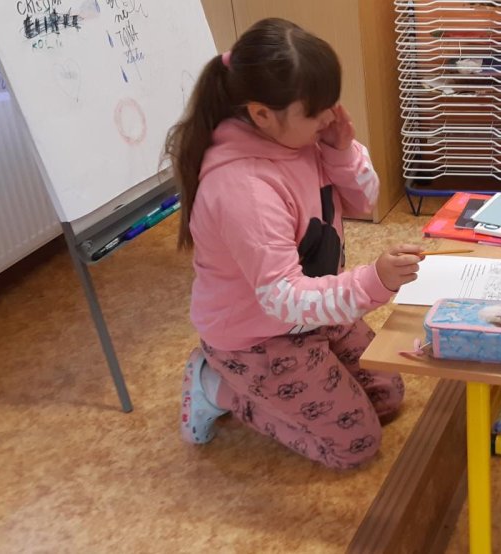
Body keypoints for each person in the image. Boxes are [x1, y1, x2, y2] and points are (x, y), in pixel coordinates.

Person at [166, 18, 422, 469]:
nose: (329, 117)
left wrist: (342, 150)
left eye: (330, 103)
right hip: (258, 335)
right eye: (316, 110)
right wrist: (373, 282)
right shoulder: (243, 189)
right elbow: (283, 299)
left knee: (387, 394)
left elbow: (364, 201)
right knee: (354, 445)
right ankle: (215, 386)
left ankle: (277, 375)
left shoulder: (301, 138)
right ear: (262, 114)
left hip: (308, 312)